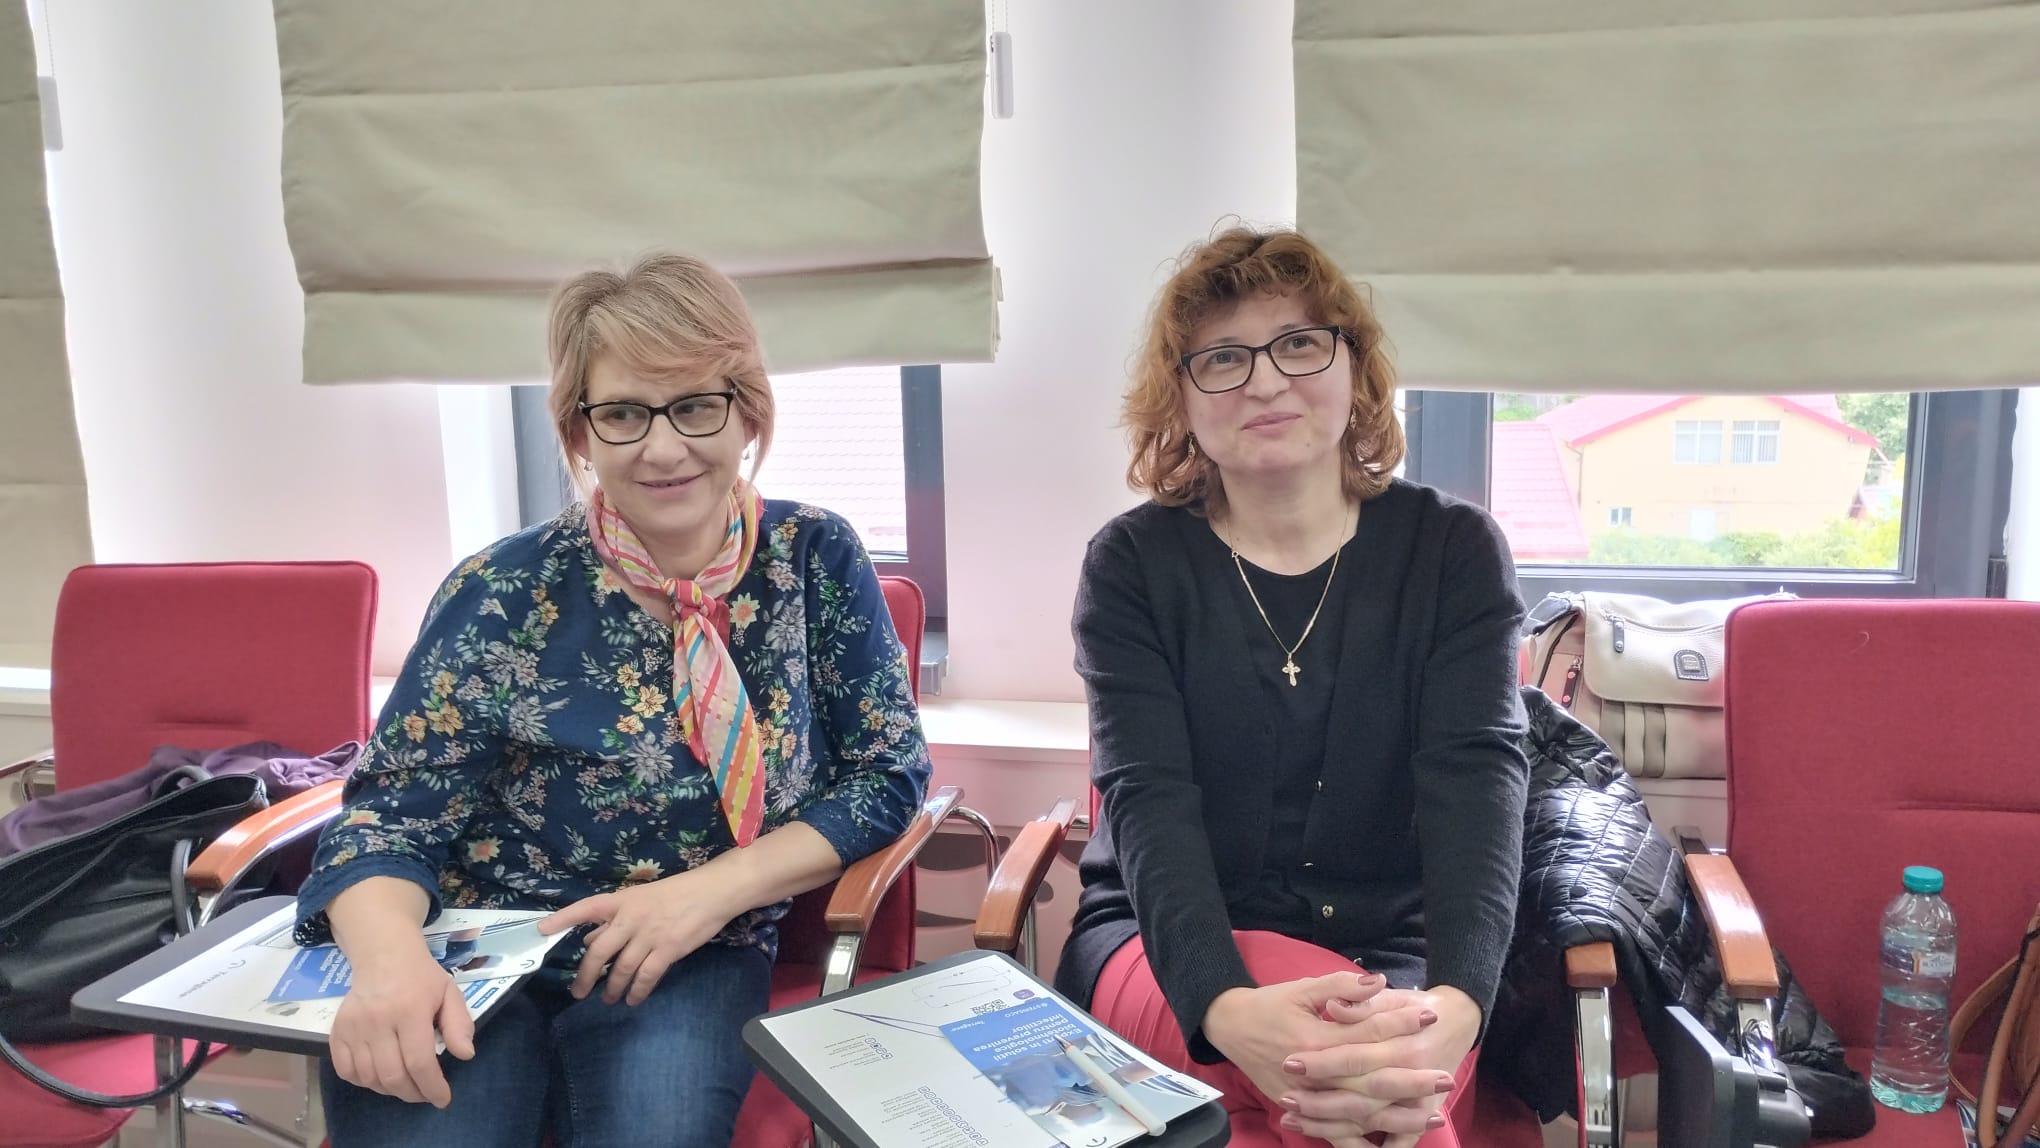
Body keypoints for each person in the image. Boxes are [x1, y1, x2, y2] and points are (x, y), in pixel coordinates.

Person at [294, 254, 932, 1148]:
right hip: (482, 940)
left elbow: (886, 775)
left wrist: (707, 895)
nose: (663, 449)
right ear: (579, 430)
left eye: (696, 405)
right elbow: (386, 818)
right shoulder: (501, 592)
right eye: (624, 413)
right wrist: (391, 964)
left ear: (748, 412)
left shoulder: (814, 559)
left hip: (694, 950)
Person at [1055, 227, 1530, 1148]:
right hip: (1167, 947)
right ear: (1181, 398)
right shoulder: (1133, 565)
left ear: (1355, 367)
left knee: (1357, 1101)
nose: (1266, 382)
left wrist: (1461, 1005)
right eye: (1223, 358)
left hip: (1402, 959)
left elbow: (1477, 786)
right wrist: (1228, 1008)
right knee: (1368, 1112)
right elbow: (1149, 801)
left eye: (1300, 344)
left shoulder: (1453, 552)